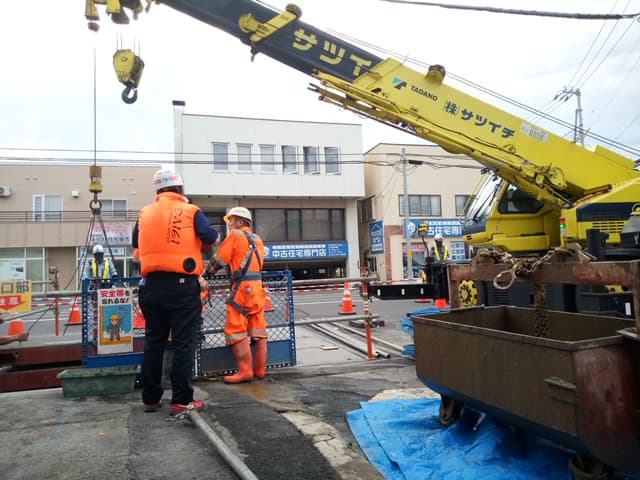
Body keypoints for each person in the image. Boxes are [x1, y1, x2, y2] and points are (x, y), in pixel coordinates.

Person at [132, 169, 218, 413]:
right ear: (180, 189)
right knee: (183, 343)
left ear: (158, 190)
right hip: (182, 285)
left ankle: (150, 398)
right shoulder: (191, 211)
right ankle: (181, 399)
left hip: (151, 286)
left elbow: (136, 243)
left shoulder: (144, 213)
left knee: (154, 342)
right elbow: (211, 237)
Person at [207, 206, 268, 384]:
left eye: (232, 220)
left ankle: (245, 371)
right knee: (258, 329)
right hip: (257, 287)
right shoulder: (257, 239)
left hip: (241, 288)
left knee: (235, 329)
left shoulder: (235, 235)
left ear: (240, 221)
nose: (229, 224)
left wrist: (206, 274)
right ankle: (260, 370)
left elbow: (219, 259)